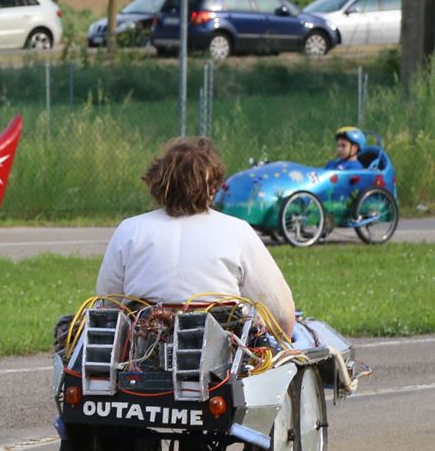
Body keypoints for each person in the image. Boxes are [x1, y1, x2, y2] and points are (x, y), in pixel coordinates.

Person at [96, 137, 295, 337]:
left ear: (157, 183)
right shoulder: (237, 231)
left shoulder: (130, 229)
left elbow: (107, 305)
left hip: (142, 346)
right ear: (212, 187)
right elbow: (282, 317)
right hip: (222, 350)